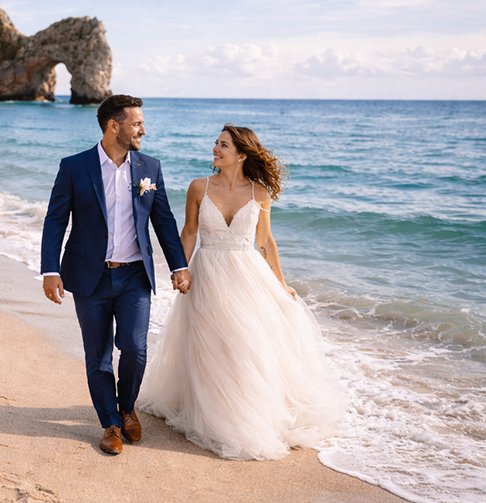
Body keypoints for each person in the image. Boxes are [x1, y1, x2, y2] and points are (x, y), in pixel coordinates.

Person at [137, 124, 346, 460]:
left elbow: (265, 242)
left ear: (242, 154)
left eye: (223, 145)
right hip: (207, 273)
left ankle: (247, 412)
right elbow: (188, 232)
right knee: (211, 344)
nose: (215, 149)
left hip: (247, 275)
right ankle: (214, 411)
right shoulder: (198, 187)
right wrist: (180, 269)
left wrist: (281, 283)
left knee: (247, 344)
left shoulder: (259, 193)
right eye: (216, 143)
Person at [40, 94, 192, 455]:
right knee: (98, 356)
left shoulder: (149, 168)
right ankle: (109, 422)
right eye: (137, 123)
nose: (143, 129)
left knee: (136, 350)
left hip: (135, 277)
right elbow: (55, 220)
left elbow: (164, 221)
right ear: (114, 126)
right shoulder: (75, 167)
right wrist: (50, 269)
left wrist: (179, 265)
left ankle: (127, 409)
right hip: (89, 277)